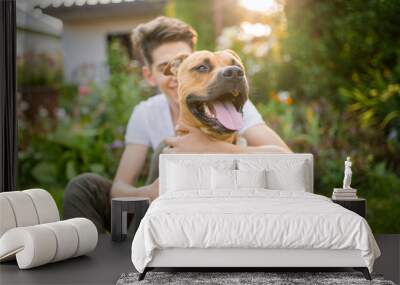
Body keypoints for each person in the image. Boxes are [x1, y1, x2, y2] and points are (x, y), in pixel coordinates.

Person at [63, 17, 292, 233]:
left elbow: (289, 161)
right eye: (168, 67)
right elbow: (119, 189)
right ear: (150, 75)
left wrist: (210, 148)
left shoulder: (229, 107)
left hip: (213, 205)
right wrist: (152, 193)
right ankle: (93, 257)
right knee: (84, 186)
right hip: (157, 203)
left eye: (188, 62)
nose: (176, 75)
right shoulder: (146, 113)